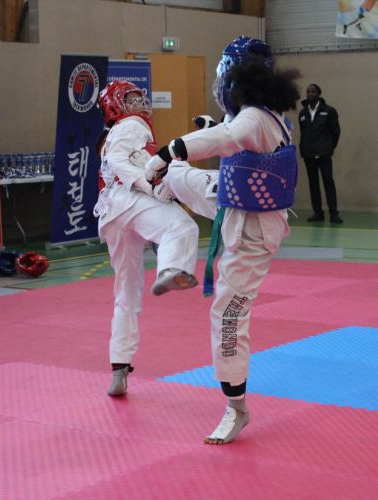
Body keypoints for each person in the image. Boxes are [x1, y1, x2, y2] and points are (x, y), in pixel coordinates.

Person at [144, 35, 300, 444]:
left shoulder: (254, 118)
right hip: (233, 200)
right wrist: (205, 135)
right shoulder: (262, 114)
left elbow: (231, 139)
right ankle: (163, 204)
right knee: (179, 177)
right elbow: (231, 136)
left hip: (252, 229)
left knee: (228, 314)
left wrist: (169, 150)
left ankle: (237, 408)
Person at [94, 79, 200, 397]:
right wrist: (149, 186)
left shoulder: (114, 134)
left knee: (126, 292)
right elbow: (120, 163)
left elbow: (127, 162)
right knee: (182, 227)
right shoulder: (132, 124)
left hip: (111, 215)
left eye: (141, 98)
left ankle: (119, 367)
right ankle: (170, 269)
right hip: (128, 200)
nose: (139, 104)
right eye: (131, 99)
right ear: (115, 105)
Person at [299, 84, 343, 223]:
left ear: (319, 94)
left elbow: (336, 132)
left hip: (324, 153)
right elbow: (303, 133)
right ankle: (318, 212)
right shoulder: (303, 113)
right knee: (313, 184)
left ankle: (334, 213)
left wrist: (328, 147)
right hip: (309, 154)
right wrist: (304, 149)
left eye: (313, 92)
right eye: (308, 92)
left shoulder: (329, 111)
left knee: (328, 182)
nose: (310, 94)